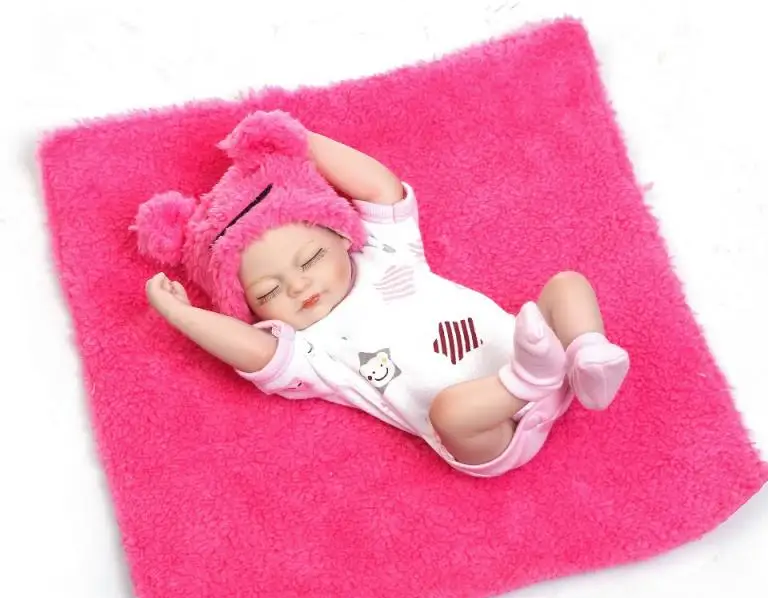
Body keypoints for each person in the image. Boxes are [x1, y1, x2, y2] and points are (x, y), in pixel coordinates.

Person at [136, 110, 629, 478]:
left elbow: (380, 187)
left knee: (566, 285)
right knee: (448, 412)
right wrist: (184, 316)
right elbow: (255, 352)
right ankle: (528, 379)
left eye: (310, 259)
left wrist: (299, 143)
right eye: (269, 292)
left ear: (340, 234)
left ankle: (588, 355)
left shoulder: (384, 254)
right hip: (494, 436)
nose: (300, 285)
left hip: (539, 358)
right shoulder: (311, 349)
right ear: (250, 309)